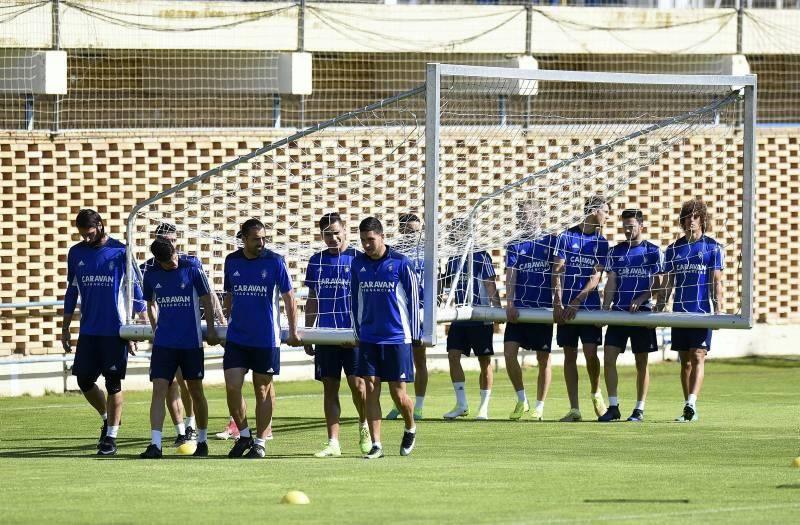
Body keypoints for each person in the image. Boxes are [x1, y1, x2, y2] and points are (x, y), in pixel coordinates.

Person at [62, 209, 144, 456]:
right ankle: (108, 418)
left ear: (100, 225)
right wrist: (65, 327)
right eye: (82, 235)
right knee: (84, 379)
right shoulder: (76, 253)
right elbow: (71, 291)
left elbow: (136, 294)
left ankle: (110, 438)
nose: (86, 239)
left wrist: (135, 329)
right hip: (88, 329)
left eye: (90, 233)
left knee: (113, 383)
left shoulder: (120, 251)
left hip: (115, 331)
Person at [222, 218, 301, 459]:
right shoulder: (231, 261)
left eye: (264, 238)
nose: (261, 243)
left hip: (266, 338)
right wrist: (225, 317)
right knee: (233, 385)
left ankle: (260, 442)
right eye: (256, 239)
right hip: (237, 336)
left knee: (263, 389)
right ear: (243, 239)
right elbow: (229, 293)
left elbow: (289, 296)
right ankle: (244, 435)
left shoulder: (275, 261)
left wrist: (294, 330)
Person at [140, 222, 222, 446]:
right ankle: (155, 444)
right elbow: (151, 304)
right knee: (161, 387)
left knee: (195, 389)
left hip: (191, 342)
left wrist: (214, 327)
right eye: (168, 263)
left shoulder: (192, 267)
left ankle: (201, 440)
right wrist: (156, 330)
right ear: (158, 260)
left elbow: (207, 297)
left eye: (175, 255)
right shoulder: (150, 273)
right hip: (165, 344)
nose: (173, 264)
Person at [351, 217, 420, 459]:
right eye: (363, 241)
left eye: (370, 240)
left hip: (397, 337)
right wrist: (358, 331)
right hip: (369, 337)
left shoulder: (401, 263)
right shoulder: (357, 264)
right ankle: (377, 445)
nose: (367, 245)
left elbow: (413, 300)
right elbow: (354, 299)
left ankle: (410, 426)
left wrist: (416, 333)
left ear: (382, 237)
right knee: (370, 388)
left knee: (398, 394)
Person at [304, 212, 370, 457]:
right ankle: (333, 442)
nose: (332, 238)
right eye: (327, 234)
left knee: (358, 386)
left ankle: (364, 426)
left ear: (345, 231)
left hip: (353, 335)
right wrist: (309, 332)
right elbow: (313, 299)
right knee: (329, 387)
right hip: (325, 335)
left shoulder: (358, 259)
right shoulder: (316, 261)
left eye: (336, 233)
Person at [658, 198, 724, 422]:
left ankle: (692, 403)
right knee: (684, 360)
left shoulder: (713, 247)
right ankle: (688, 409)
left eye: (694, 217)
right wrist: (659, 307)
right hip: (680, 312)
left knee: (698, 356)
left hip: (701, 312)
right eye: (686, 218)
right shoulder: (674, 249)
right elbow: (667, 282)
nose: (690, 222)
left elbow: (716, 281)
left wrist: (718, 310)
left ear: (702, 219)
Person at [599, 209, 662, 422]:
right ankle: (614, 406)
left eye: (632, 226)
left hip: (642, 315)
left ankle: (639, 409)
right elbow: (611, 282)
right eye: (625, 226)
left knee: (641, 362)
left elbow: (657, 284)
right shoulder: (615, 252)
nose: (628, 230)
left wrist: (641, 299)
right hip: (619, 314)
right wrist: (605, 309)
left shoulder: (652, 251)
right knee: (608, 357)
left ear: (641, 226)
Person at [552, 196, 610, 422]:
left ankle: (596, 392)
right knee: (569, 354)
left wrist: (577, 300)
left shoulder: (601, 242)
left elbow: (596, 277)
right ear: (594, 211)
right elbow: (556, 271)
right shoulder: (566, 237)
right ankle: (574, 407)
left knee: (590, 353)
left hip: (589, 308)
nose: (607, 216)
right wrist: (558, 303)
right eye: (605, 211)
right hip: (565, 308)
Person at [441, 218, 501, 420]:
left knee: (484, 361)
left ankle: (483, 408)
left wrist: (497, 309)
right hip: (460, 316)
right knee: (453, 355)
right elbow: (447, 284)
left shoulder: (482, 256)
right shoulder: (452, 259)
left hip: (480, 314)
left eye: (455, 231)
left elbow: (490, 283)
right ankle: (461, 404)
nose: (452, 235)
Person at [504, 201, 558, 421]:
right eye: (522, 215)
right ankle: (521, 399)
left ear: (539, 216)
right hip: (520, 309)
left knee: (543, 359)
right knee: (509, 353)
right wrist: (510, 302)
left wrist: (557, 301)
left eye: (529, 215)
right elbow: (511, 274)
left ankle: (539, 406)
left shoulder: (551, 240)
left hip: (543, 310)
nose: (525, 219)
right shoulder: (514, 244)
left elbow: (558, 272)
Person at [386, 213, 427, 421]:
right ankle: (398, 403)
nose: (412, 235)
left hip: (419, 311)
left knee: (420, 358)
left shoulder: (429, 252)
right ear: (401, 231)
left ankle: (418, 405)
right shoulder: (395, 254)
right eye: (408, 231)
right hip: (399, 313)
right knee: (399, 362)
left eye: (415, 231)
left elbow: (436, 281)